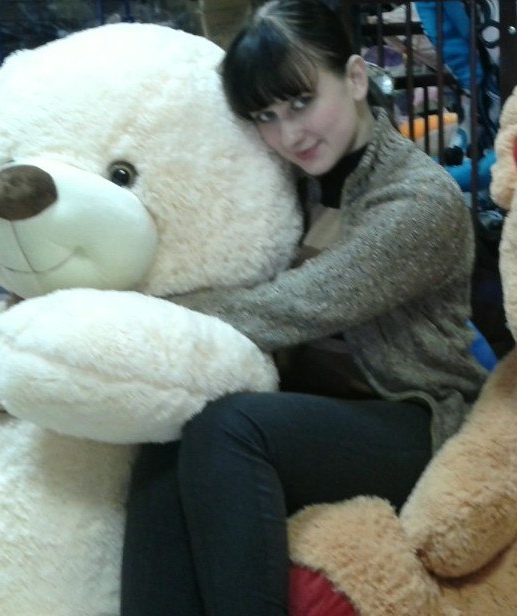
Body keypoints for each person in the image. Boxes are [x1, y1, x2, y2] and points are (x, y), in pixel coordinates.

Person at [121, 1, 488, 614]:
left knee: (230, 427)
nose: (289, 134)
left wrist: (130, 311)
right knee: (168, 434)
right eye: (265, 116)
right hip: (315, 412)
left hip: (418, 418)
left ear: (355, 77)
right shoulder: (293, 185)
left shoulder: (418, 201)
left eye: (300, 101)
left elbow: (292, 307)